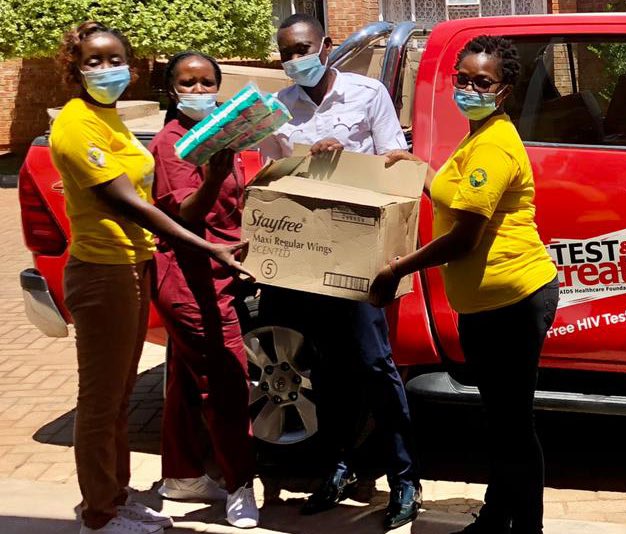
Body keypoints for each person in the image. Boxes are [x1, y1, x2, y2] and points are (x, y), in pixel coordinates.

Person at [50, 21, 250, 534]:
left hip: (132, 267)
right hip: (102, 272)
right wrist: (210, 247)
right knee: (100, 401)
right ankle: (99, 515)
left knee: (118, 398)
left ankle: (116, 497)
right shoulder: (76, 125)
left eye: (116, 58)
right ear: (74, 68)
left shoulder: (108, 118)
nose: (107, 69)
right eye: (94, 61)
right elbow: (128, 202)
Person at [371, 35, 560, 534]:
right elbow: (456, 196)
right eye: (464, 79)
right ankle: (497, 518)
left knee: (515, 428)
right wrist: (421, 169)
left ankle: (528, 529)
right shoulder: (478, 134)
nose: (471, 89)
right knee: (501, 424)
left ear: (505, 90)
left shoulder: (495, 144)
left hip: (513, 303)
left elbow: (464, 239)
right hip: (485, 306)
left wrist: (397, 269)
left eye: (484, 82)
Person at [256, 13, 422, 530]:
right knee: (324, 369)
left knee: (375, 365)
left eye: (303, 48)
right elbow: (270, 178)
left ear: (325, 45)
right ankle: (340, 466)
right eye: (286, 53)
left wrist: (344, 155)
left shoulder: (366, 93)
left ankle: (404, 476)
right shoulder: (278, 109)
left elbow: (397, 160)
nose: (295, 60)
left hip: (358, 256)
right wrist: (307, 160)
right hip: (306, 258)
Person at [148, 51, 258, 529]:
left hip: (220, 272)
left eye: (206, 82)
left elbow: (233, 202)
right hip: (189, 277)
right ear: (172, 90)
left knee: (187, 377)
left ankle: (183, 473)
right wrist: (214, 176)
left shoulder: (216, 138)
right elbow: (186, 214)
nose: (198, 92)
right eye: (187, 84)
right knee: (226, 380)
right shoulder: (175, 143)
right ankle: (239, 485)